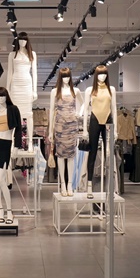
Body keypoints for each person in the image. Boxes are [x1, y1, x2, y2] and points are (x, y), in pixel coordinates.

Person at [0, 86, 24, 223]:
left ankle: (9, 211)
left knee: (1, 179)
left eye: (3, 96)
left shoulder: (13, 109)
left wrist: (17, 146)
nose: (1, 98)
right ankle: (1, 210)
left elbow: (18, 129)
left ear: (7, 97)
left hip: (5, 146)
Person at [81, 64, 117, 199]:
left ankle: (110, 188)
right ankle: (89, 186)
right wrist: (85, 129)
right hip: (94, 120)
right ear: (96, 75)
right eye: (100, 74)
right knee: (92, 153)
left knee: (109, 155)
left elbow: (114, 109)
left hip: (108, 121)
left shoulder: (111, 89)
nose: (102, 77)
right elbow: (86, 110)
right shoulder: (90, 90)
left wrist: (116, 130)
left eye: (105, 74)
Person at [48, 67, 83, 197]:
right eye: (63, 77)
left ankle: (70, 184)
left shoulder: (76, 91)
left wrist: (79, 113)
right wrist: (50, 131)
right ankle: (62, 183)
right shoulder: (54, 92)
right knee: (61, 155)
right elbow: (52, 111)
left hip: (72, 126)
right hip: (60, 126)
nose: (66, 79)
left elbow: (84, 103)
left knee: (71, 155)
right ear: (60, 78)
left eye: (68, 76)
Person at [5, 32, 38, 150]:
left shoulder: (32, 54)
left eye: (24, 40)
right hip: (15, 85)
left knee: (29, 114)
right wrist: (7, 89)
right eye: (20, 40)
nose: (22, 42)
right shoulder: (12, 54)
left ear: (27, 41)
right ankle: (12, 142)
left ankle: (30, 142)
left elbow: (34, 73)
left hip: (27, 85)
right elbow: (9, 72)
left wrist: (35, 90)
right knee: (14, 115)